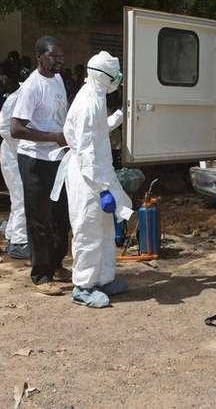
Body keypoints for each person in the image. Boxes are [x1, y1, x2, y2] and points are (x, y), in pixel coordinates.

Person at [52, 51, 130, 308]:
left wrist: (119, 116)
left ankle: (104, 278)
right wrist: (101, 189)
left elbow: (97, 131)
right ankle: (83, 286)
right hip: (87, 177)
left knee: (105, 229)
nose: (117, 81)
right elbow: (86, 151)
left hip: (98, 173)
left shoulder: (95, 97)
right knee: (87, 230)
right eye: (115, 77)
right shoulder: (88, 102)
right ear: (104, 77)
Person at [10, 36, 70, 295]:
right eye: (53, 56)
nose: (59, 60)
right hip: (35, 159)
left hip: (58, 159)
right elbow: (16, 129)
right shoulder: (31, 87)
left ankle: (56, 265)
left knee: (61, 216)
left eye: (60, 56)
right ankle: (41, 275)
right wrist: (52, 138)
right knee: (39, 218)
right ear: (39, 56)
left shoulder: (58, 80)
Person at [0, 80, 29, 259]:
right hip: (12, 155)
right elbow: (1, 126)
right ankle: (20, 242)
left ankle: (12, 235)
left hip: (18, 155)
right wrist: (22, 137)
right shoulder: (15, 99)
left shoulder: (25, 99)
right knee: (22, 197)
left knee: (18, 199)